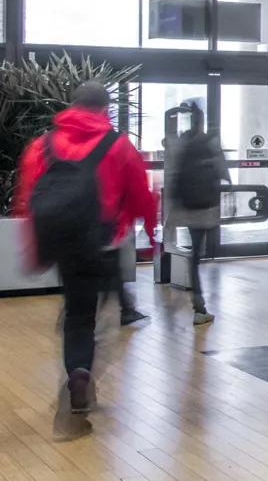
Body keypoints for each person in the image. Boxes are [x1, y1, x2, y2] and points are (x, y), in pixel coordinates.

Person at [13, 82, 159, 414]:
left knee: (77, 311)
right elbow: (141, 194)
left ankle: (77, 369)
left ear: (73, 105)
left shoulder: (43, 144)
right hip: (102, 240)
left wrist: (35, 247)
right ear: (105, 109)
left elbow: (28, 199)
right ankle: (83, 370)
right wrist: (152, 236)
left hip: (63, 241)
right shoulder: (118, 145)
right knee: (99, 312)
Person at [163, 110, 227, 325]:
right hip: (206, 207)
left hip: (188, 207)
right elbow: (222, 171)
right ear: (202, 121)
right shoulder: (209, 142)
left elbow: (174, 174)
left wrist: (172, 206)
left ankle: (197, 304)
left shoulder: (182, 142)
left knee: (195, 257)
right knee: (198, 253)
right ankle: (198, 307)